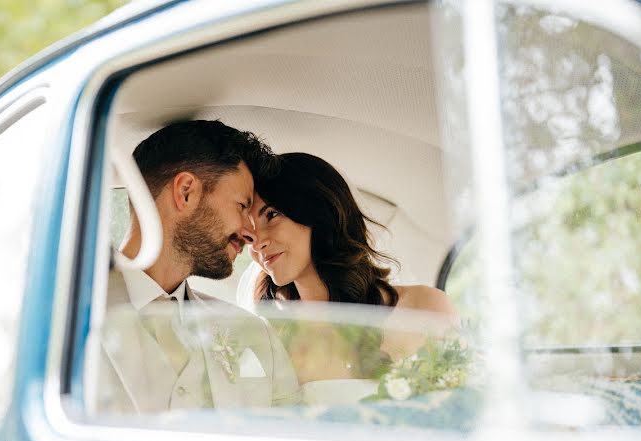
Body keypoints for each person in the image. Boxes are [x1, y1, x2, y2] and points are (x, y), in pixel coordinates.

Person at [93, 120, 299, 414]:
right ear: (186, 191)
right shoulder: (62, 315)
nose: (250, 232)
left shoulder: (254, 334)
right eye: (242, 206)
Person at [243, 152, 456, 382]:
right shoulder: (273, 336)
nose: (257, 241)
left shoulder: (424, 307)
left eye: (272, 215)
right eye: (248, 232)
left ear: (320, 212)